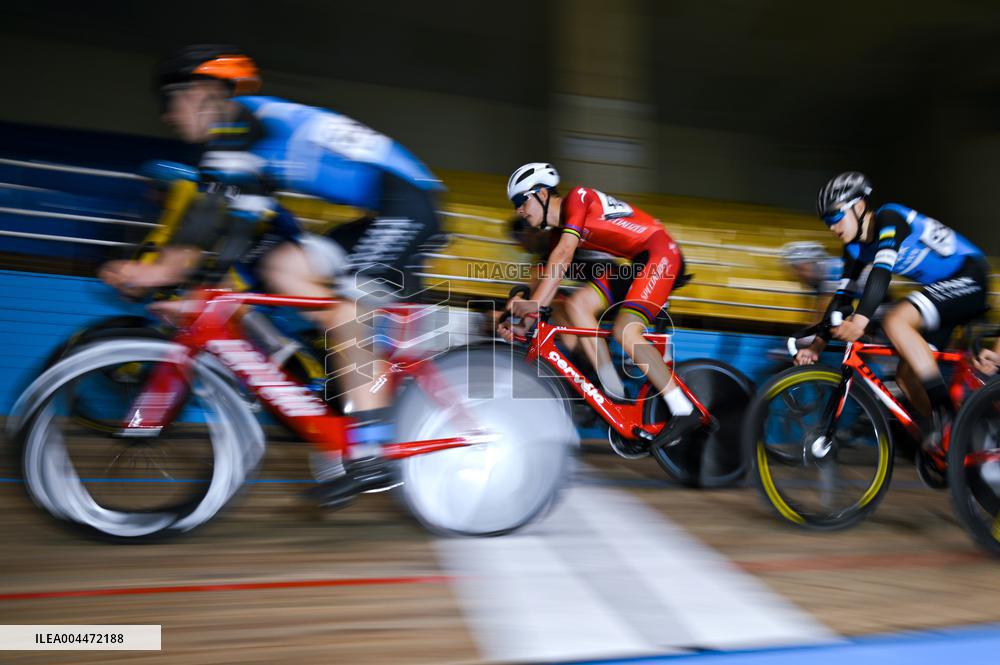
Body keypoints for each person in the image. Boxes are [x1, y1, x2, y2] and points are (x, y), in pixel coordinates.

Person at [100, 45, 444, 503]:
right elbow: (231, 235)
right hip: (383, 209)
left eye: (170, 100)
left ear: (204, 91)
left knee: (345, 314)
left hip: (408, 206)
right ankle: (354, 367)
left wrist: (157, 272)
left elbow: (202, 226)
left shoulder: (239, 125)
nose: (166, 116)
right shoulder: (241, 134)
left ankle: (372, 451)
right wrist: (188, 285)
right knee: (279, 265)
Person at [498, 162, 697, 448]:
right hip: (638, 263)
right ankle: (611, 388)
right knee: (578, 304)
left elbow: (563, 258)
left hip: (660, 254)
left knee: (625, 332)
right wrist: (521, 324)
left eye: (521, 200)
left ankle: (681, 408)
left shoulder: (577, 198)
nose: (518, 209)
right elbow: (550, 279)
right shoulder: (557, 233)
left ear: (541, 193)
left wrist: (527, 308)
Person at [796, 171, 990, 453]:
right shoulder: (853, 250)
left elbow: (881, 273)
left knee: (895, 321)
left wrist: (860, 320)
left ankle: (948, 417)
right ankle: (957, 441)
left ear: (859, 206)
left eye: (835, 217)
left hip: (969, 276)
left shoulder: (889, 219)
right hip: (942, 291)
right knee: (906, 377)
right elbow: (841, 298)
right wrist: (817, 346)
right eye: (827, 222)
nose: (832, 227)